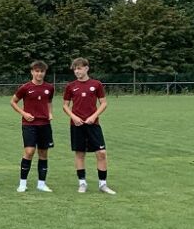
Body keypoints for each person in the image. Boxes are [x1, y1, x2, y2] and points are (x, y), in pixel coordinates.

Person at [63, 57, 116, 195]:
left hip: (93, 124)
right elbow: (65, 105)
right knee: (80, 153)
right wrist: (73, 117)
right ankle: (82, 183)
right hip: (77, 124)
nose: (77, 71)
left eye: (79, 68)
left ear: (87, 68)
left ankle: (103, 184)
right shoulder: (70, 86)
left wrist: (94, 116)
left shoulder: (96, 84)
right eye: (75, 69)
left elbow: (103, 103)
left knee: (101, 153)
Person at [11, 60, 55, 193]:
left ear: (44, 72)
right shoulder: (25, 87)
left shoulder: (49, 88)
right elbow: (13, 102)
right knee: (29, 152)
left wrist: (50, 113)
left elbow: (49, 101)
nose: (39, 74)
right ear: (32, 72)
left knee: (43, 153)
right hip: (29, 124)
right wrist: (24, 113)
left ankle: (41, 184)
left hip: (45, 125)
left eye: (42, 71)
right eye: (37, 71)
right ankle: (22, 183)